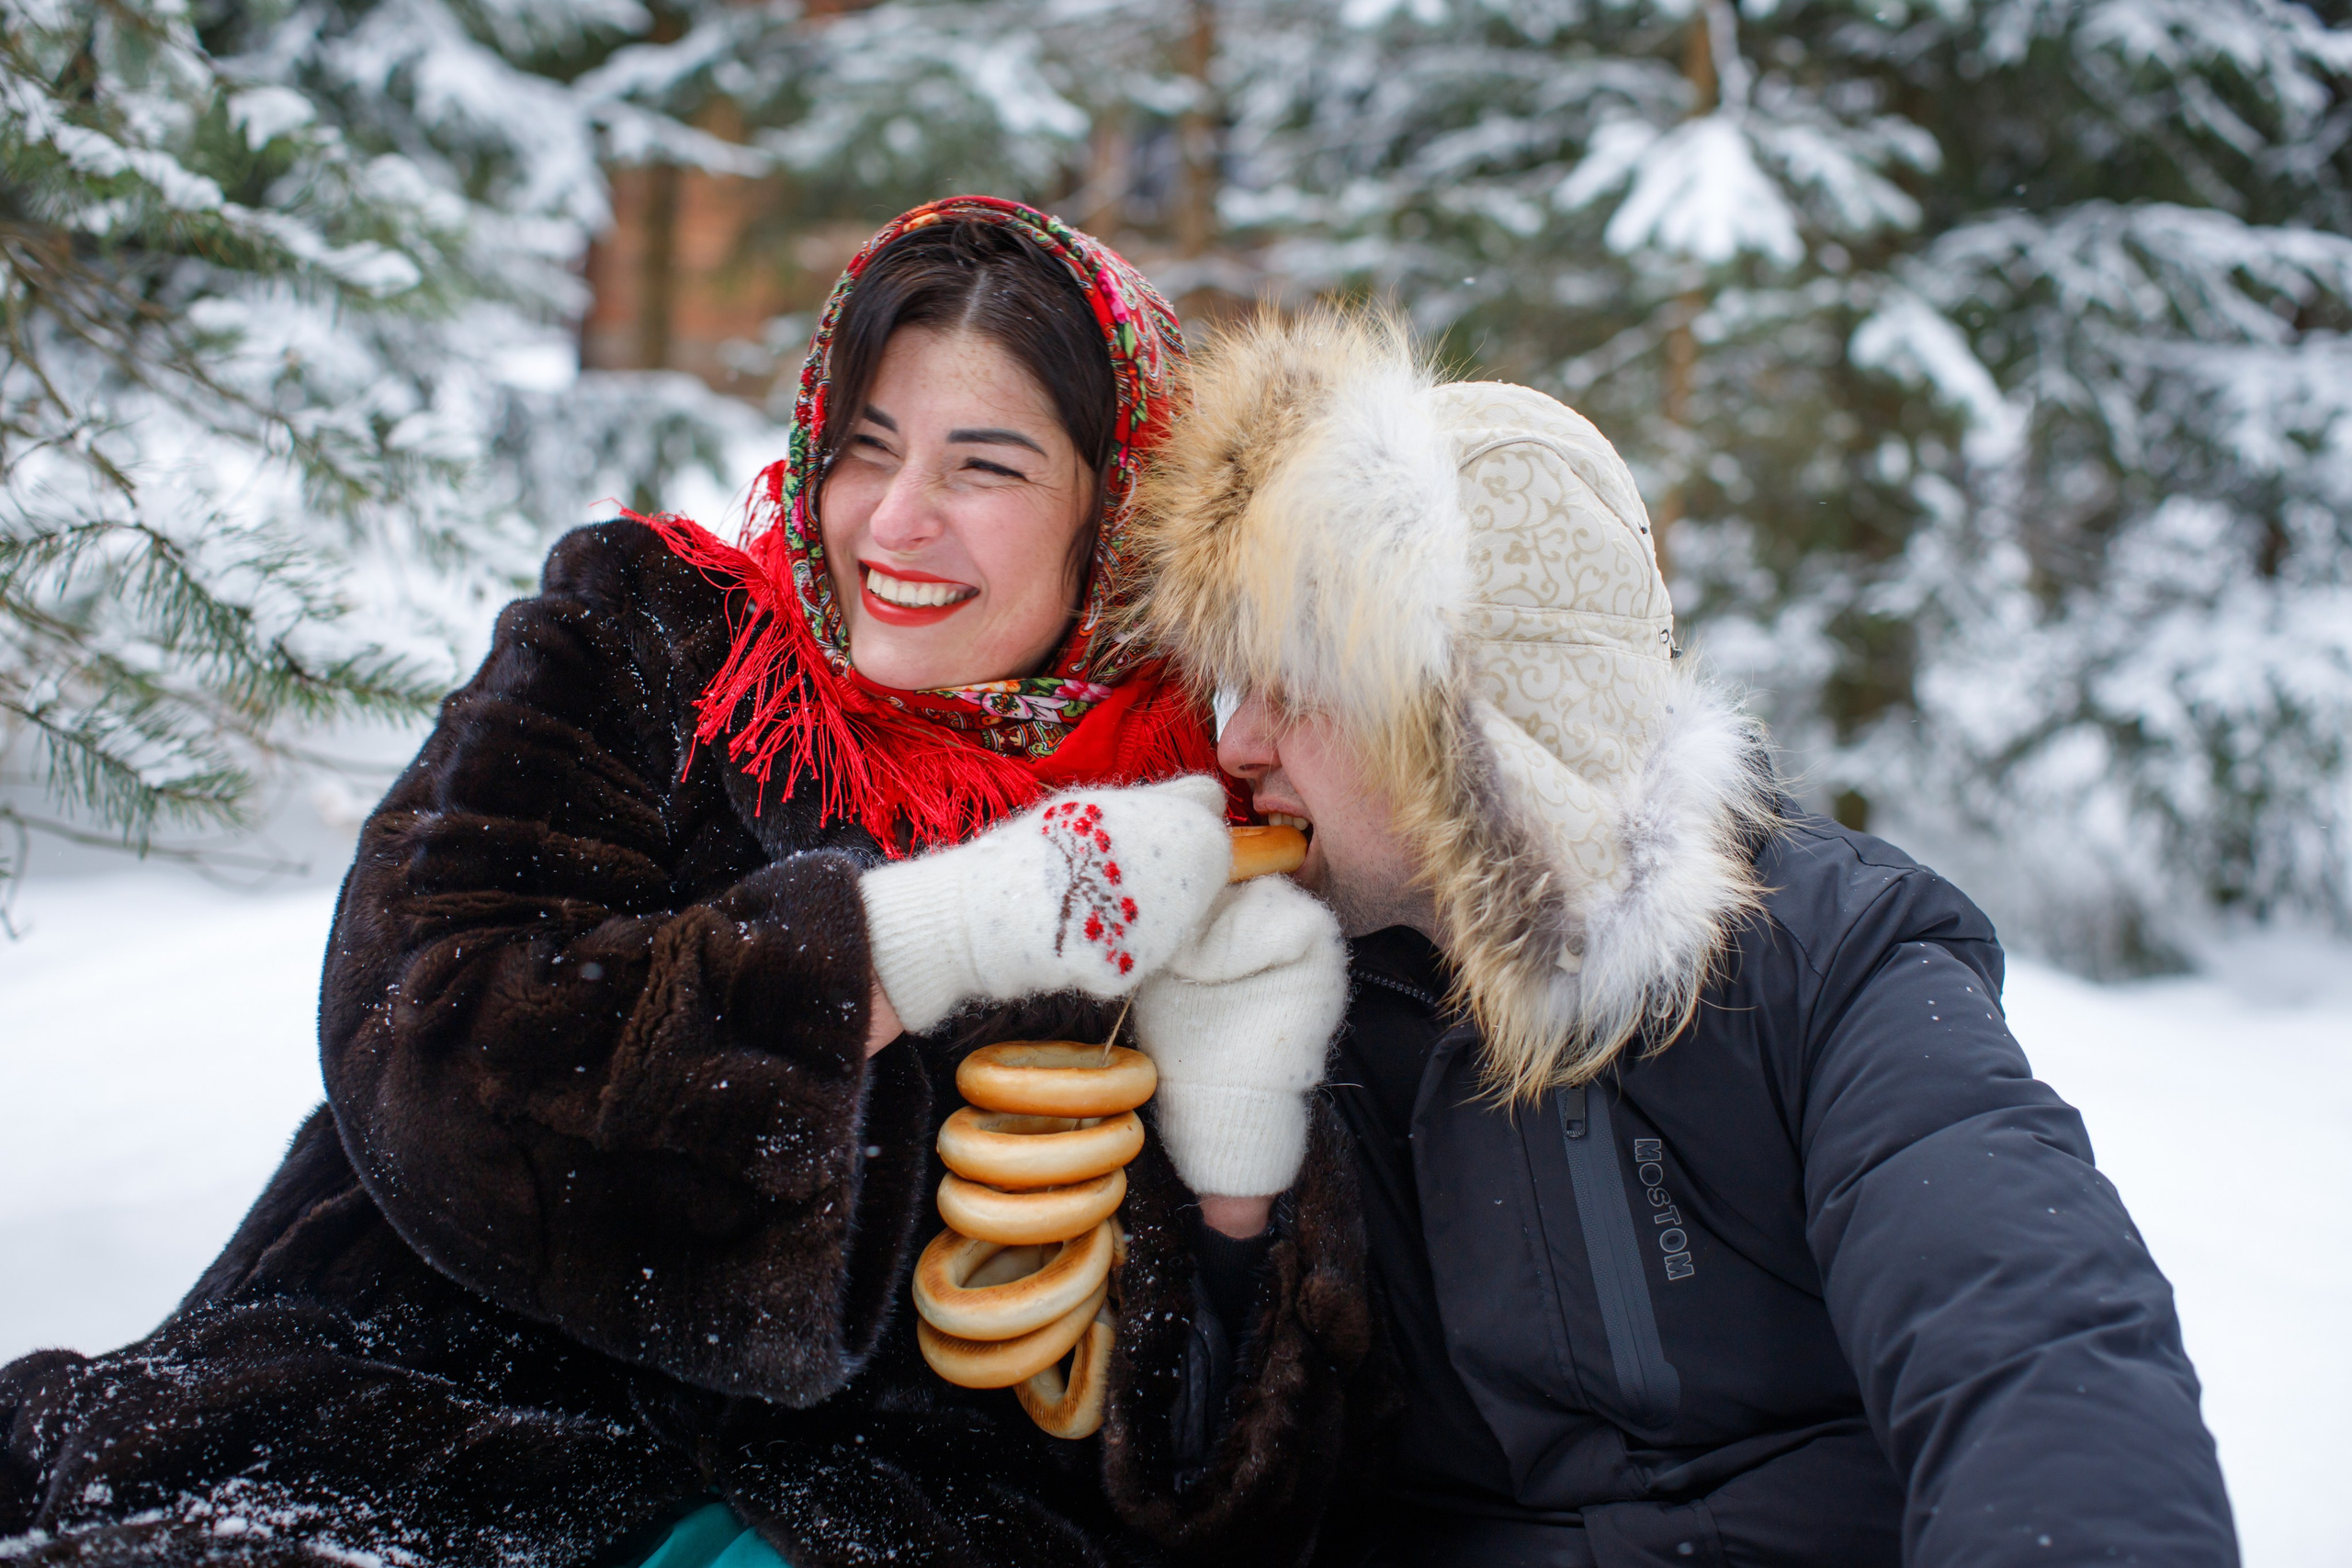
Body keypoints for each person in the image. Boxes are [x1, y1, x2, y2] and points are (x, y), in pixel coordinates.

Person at [0, 199, 1369, 1567]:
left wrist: (1241, 1168)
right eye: (866, 450)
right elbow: (428, 1031)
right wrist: (917, 943)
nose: (894, 522)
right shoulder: (650, 645)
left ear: (1118, 514)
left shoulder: (1201, 837)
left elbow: (1212, 1504)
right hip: (409, 1423)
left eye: (987, 468)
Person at [1125, 308, 2239, 1567]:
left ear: (1484, 722)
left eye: (1301, 686)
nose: (1240, 746)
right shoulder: (1290, 1019)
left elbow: (2036, 1350)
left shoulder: (1829, 956)